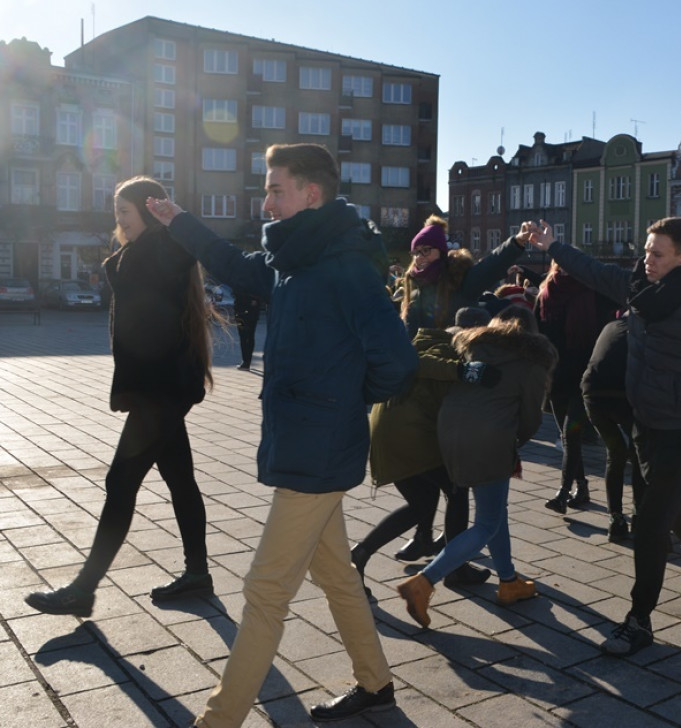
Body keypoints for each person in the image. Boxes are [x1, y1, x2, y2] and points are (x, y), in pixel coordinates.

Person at [146, 143, 419, 727]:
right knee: (336, 574)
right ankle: (376, 685)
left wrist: (342, 402)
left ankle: (219, 720)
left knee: (265, 588)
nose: (264, 199)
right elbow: (237, 265)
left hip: (319, 448)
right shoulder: (294, 260)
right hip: (302, 441)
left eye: (275, 189)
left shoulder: (344, 268)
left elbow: (398, 361)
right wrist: (181, 222)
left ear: (309, 194)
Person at [530, 217, 681, 657]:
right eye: (646, 250)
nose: (646, 259)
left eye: (657, 253)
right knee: (664, 511)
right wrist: (555, 246)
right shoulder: (640, 288)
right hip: (644, 422)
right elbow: (593, 270)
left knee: (648, 524)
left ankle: (638, 620)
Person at [24, 177, 215, 618]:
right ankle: (198, 574)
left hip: (161, 390)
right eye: (117, 214)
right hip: (156, 388)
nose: (120, 222)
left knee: (120, 482)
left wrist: (176, 217)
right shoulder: (135, 252)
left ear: (147, 213)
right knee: (181, 481)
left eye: (125, 213)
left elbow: (191, 249)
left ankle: (83, 589)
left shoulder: (165, 248)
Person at [396, 305, 557, 627]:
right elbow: (531, 418)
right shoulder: (533, 361)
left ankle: (509, 581)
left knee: (494, 513)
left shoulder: (474, 345)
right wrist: (514, 444)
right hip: (490, 440)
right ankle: (424, 582)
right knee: (486, 523)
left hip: (450, 432)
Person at [394, 214, 533, 562]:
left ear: (441, 253)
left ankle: (452, 550)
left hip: (456, 381)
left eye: (427, 250)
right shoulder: (413, 286)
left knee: (452, 477)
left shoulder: (459, 283)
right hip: (424, 385)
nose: (420, 257)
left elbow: (490, 267)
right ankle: (426, 535)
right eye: (416, 251)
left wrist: (516, 243)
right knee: (424, 468)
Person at [352, 306, 497, 596]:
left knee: (421, 503)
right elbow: (425, 366)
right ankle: (455, 567)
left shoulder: (426, 341)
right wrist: (463, 371)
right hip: (410, 434)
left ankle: (360, 554)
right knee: (457, 489)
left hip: (388, 432)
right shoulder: (446, 352)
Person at [536, 261, 609, 513]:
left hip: (583, 377)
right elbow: (537, 336)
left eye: (570, 265)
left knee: (571, 434)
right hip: (556, 379)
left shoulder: (592, 293)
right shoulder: (545, 295)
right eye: (560, 265)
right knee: (568, 438)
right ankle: (582, 486)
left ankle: (563, 493)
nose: (565, 270)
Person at [580, 315, 646, 541]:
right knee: (639, 455)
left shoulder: (610, 326)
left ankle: (616, 520)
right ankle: (639, 515)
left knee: (615, 454)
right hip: (624, 398)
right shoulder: (644, 332)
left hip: (593, 396)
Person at [232, 289, 261, 370]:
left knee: (244, 336)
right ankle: (247, 361)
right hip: (252, 309)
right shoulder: (256, 282)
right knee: (250, 336)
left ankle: (246, 361)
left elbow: (236, 292)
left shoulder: (241, 281)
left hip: (242, 309)